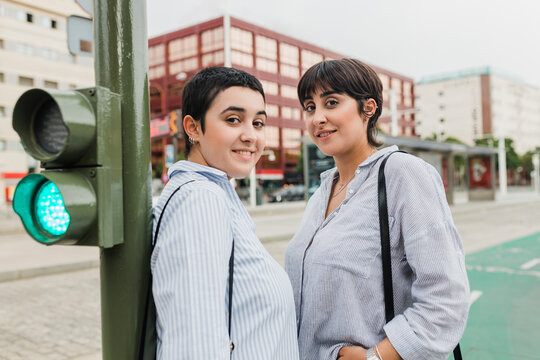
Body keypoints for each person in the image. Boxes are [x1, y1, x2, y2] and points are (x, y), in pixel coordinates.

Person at [284, 59, 470, 360]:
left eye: (331, 102)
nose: (318, 118)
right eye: (309, 107)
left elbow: (446, 299)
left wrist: (377, 356)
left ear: (368, 108)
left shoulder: (403, 174)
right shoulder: (320, 194)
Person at [151, 67, 299, 359]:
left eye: (258, 123)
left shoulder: (216, 193)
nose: (250, 136)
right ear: (193, 128)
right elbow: (194, 344)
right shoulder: (200, 199)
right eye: (233, 120)